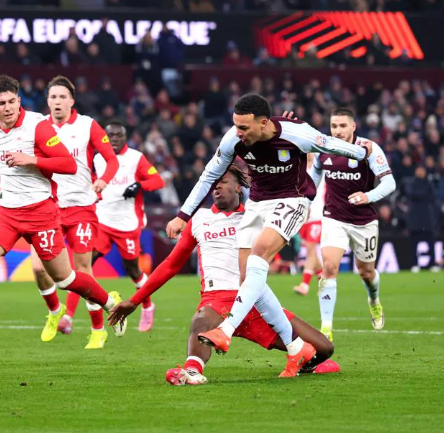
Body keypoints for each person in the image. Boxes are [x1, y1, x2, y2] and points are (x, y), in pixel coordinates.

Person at [0, 75, 126, 372]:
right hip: (5, 213)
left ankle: (110, 303)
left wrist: (32, 160)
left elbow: (68, 164)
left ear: (19, 101)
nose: (7, 108)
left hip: (41, 214)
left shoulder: (38, 126)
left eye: (11, 102)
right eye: (1, 103)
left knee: (65, 279)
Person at [165, 93, 371, 377]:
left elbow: (329, 144)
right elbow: (208, 175)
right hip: (258, 203)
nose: (238, 132)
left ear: (263, 123)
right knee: (248, 279)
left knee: (259, 254)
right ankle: (296, 348)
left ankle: (226, 330)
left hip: (292, 200)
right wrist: (183, 215)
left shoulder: (297, 134)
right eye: (236, 125)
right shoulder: (232, 140)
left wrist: (363, 153)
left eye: (244, 127)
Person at [108, 166, 340, 385]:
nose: (217, 186)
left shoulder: (256, 217)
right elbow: (170, 265)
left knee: (324, 349)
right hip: (216, 301)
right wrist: (135, 301)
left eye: (223, 182)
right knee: (201, 319)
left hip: (256, 301)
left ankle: (306, 365)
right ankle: (191, 372)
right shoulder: (199, 219)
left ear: (239, 187)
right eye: (214, 183)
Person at [29, 76, 119, 349]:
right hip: (47, 207)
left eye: (62, 97)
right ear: (47, 101)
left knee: (82, 269)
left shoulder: (87, 125)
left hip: (81, 207)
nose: (57, 102)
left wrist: (103, 179)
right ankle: (55, 311)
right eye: (53, 97)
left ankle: (97, 329)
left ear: (71, 101)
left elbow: (111, 160)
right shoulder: (38, 126)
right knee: (38, 269)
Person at [69, 120, 164, 333]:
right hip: (102, 222)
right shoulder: (97, 159)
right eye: (110, 135)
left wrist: (139, 185)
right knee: (85, 264)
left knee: (133, 270)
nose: (114, 139)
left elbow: (158, 181)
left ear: (125, 137)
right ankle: (71, 316)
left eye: (118, 135)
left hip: (127, 224)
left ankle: (148, 306)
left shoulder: (135, 158)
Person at [309, 108, 396, 341]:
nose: (337, 131)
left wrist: (368, 196)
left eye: (342, 126)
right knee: (329, 268)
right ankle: (326, 328)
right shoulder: (323, 148)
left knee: (366, 272)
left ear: (353, 126)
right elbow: (315, 176)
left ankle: (374, 300)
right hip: (334, 217)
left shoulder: (368, 148)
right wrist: (306, 199)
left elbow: (389, 183)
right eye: (334, 126)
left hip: (363, 221)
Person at [293, 154, 325, 296]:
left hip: (318, 215)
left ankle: (304, 284)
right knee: (311, 251)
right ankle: (324, 280)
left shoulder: (321, 169)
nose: (308, 153)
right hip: (304, 216)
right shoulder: (299, 169)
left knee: (311, 249)